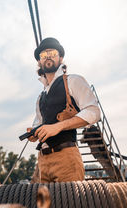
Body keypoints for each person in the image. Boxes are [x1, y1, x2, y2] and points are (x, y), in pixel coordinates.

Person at [28, 37, 100, 183]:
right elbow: (40, 124)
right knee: (45, 206)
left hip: (66, 158)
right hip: (43, 161)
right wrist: (34, 133)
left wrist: (58, 126)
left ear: (60, 58)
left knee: (70, 205)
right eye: (43, 55)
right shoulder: (40, 97)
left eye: (52, 53)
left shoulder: (73, 80)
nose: (48, 56)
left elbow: (93, 111)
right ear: (39, 62)